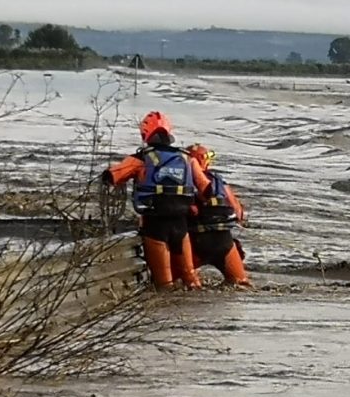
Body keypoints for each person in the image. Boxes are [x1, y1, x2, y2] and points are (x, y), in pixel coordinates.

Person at [101, 111, 211, 290]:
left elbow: (113, 176)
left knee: (164, 285)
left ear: (145, 134)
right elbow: (207, 189)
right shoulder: (187, 158)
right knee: (191, 279)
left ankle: (166, 315)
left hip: (155, 225)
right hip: (180, 225)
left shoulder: (140, 158)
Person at [185, 144, 252, 287]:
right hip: (222, 241)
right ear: (204, 161)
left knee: (185, 285)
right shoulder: (217, 180)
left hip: (193, 242)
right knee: (241, 284)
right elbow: (237, 211)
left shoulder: (182, 181)